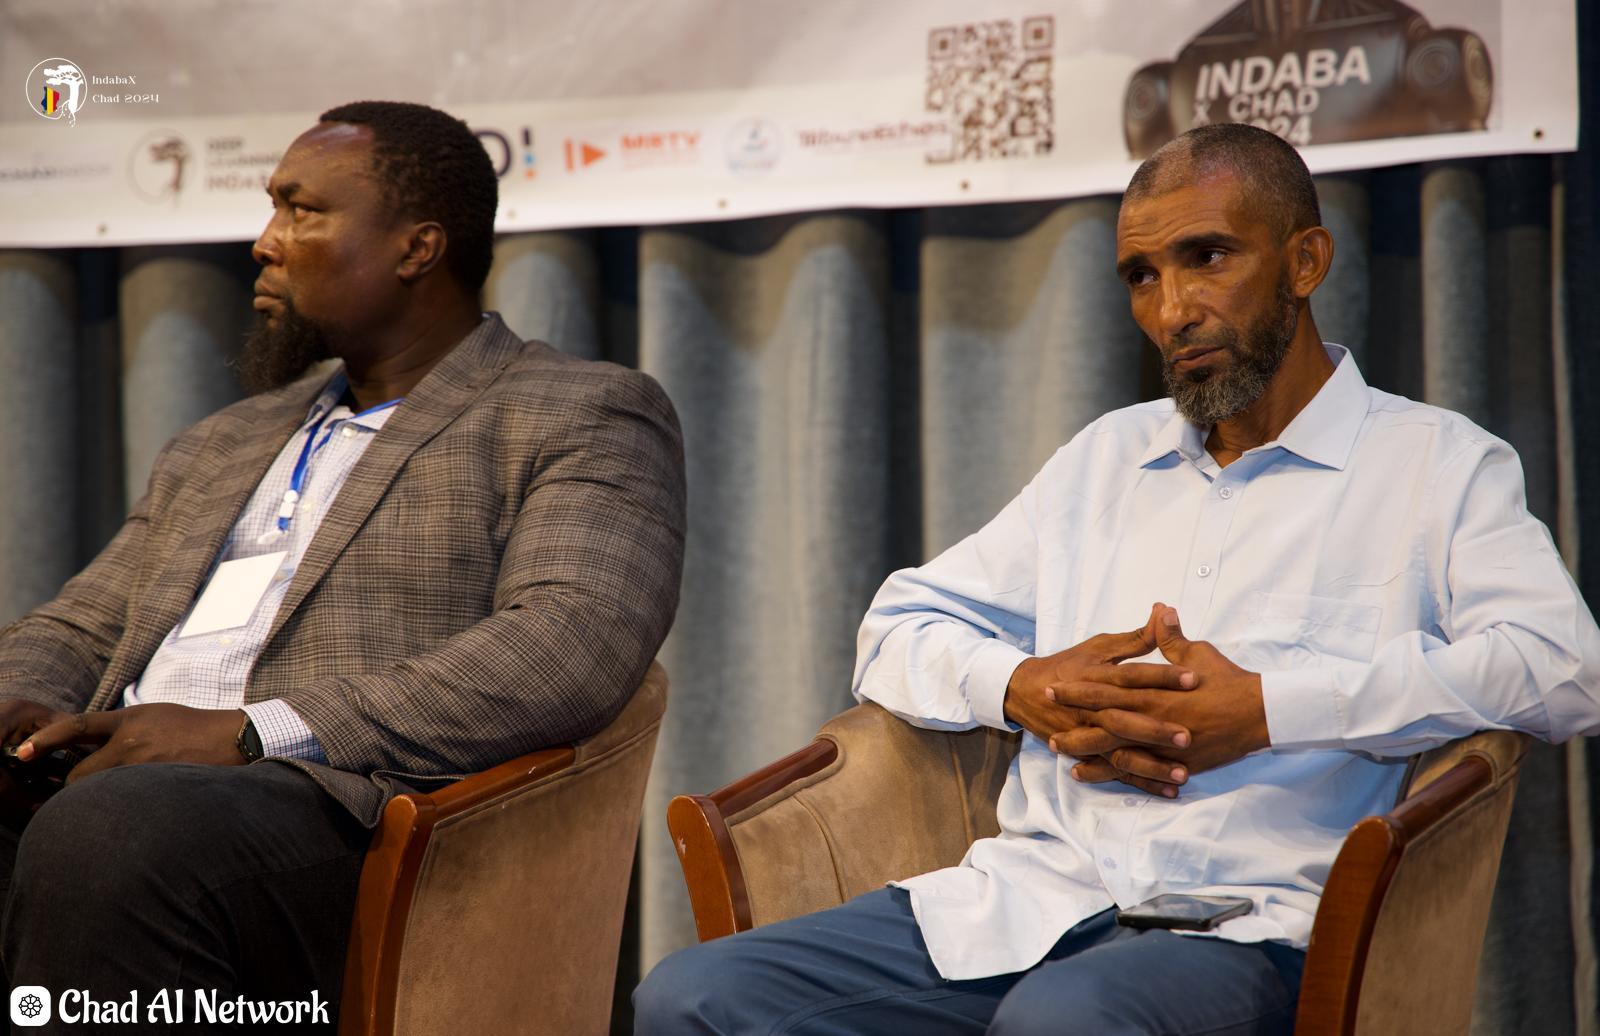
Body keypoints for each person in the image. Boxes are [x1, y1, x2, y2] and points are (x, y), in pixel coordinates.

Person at [634, 123, 1600, 1035]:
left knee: (1066, 1020)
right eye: (1142, 275)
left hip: (1252, 924)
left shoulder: (1436, 465)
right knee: (693, 998)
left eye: (1207, 257)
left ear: (1306, 261)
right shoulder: (1107, 461)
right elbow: (896, 625)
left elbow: (1566, 667)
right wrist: (1025, 687)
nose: (1172, 310)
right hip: (1033, 900)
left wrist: (1268, 710)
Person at [0, 101, 685, 1023]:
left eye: (302, 211)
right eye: (272, 209)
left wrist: (255, 732)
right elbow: (80, 624)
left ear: (417, 248)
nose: (264, 242)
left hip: (356, 817)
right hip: (129, 789)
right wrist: (18, 704)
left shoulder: (576, 411)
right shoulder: (222, 442)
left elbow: (569, 643)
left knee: (114, 832)